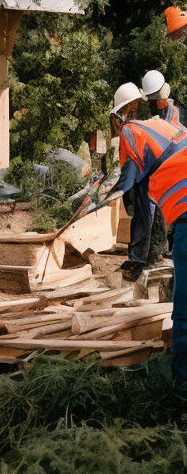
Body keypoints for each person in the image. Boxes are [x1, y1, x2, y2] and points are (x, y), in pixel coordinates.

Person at [107, 98, 187, 387]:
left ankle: (181, 385)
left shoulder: (129, 132)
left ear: (117, 118)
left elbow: (126, 178)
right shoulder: (163, 125)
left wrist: (102, 197)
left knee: (184, 305)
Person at [110, 83, 155, 280]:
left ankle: (139, 261)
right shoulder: (133, 125)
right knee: (141, 217)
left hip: (149, 173)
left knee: (145, 216)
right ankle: (140, 257)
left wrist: (122, 189)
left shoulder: (132, 128)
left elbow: (133, 163)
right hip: (143, 172)